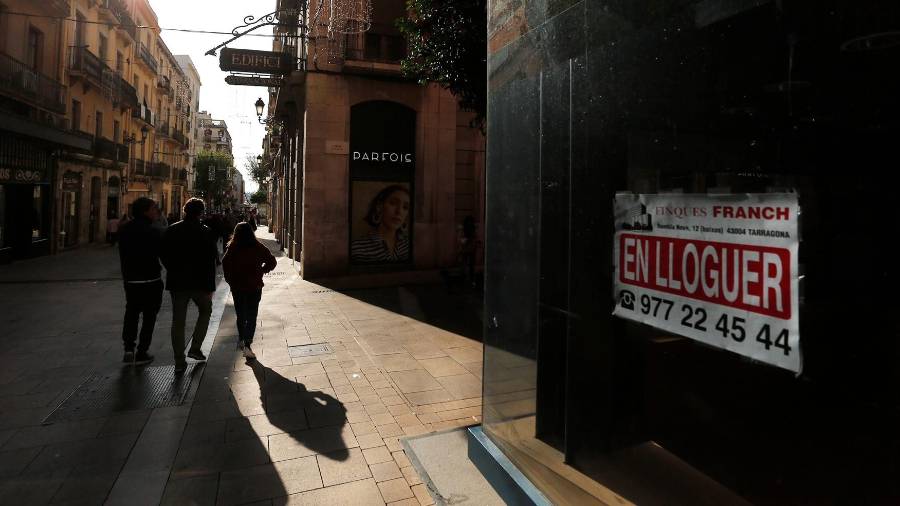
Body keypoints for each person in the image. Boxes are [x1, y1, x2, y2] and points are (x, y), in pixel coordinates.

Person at [161, 198, 219, 374]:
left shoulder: (172, 230)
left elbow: (163, 254)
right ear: (201, 212)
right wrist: (211, 287)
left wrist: (173, 269)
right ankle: (195, 348)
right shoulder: (206, 232)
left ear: (185, 210)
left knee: (178, 321)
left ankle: (179, 361)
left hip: (178, 283)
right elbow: (211, 261)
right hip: (201, 283)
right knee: (206, 311)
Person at [117, 197, 162, 365]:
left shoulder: (124, 230)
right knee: (149, 317)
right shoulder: (153, 231)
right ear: (145, 211)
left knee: (131, 314)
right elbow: (162, 254)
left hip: (131, 280)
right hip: (151, 280)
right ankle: (142, 351)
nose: (156, 210)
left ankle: (128, 349)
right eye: (153, 208)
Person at [222, 222, 277, 359]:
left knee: (241, 314)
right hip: (254, 286)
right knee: (252, 315)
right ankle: (247, 344)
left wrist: (230, 280)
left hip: (238, 287)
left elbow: (225, 263)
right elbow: (272, 261)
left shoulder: (232, 247)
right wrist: (262, 271)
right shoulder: (257, 246)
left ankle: (241, 338)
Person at [350, 185, 411, 263]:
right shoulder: (357, 248)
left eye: (405, 207)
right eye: (393, 203)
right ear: (379, 206)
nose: (399, 211)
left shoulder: (408, 245)